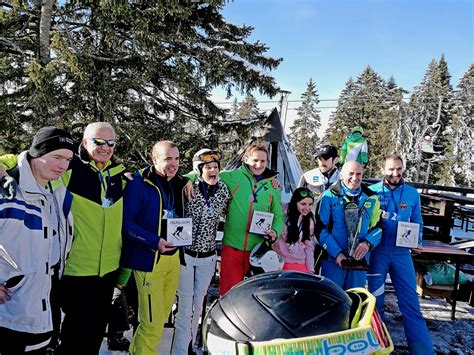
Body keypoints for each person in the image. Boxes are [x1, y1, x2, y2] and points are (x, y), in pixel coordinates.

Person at [0, 122, 128, 353]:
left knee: (95, 335)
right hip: (75, 270)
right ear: (85, 142)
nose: (105, 147)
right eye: (99, 142)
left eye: (111, 143)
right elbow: (27, 159)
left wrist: (188, 180)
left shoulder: (119, 174)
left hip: (107, 270)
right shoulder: (67, 170)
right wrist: (0, 166)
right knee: (73, 338)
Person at [0, 127, 75, 354]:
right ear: (36, 154)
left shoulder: (57, 193)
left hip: (42, 306)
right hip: (9, 311)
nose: (63, 165)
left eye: (68, 159)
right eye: (57, 157)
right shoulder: (7, 192)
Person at [121, 140, 190, 354]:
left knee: (159, 321)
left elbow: (207, 178)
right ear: (154, 159)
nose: (174, 164)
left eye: (177, 159)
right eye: (168, 158)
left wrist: (186, 179)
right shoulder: (138, 184)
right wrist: (154, 241)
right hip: (149, 260)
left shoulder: (179, 182)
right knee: (151, 325)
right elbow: (125, 224)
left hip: (173, 260)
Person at [368, 154, 434, 354]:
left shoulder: (412, 193)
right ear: (383, 170)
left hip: (401, 254)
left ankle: (422, 351)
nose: (395, 173)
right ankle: (376, 349)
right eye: (391, 169)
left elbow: (417, 221)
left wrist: (418, 240)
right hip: (377, 253)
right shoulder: (371, 192)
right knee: (375, 305)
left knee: (411, 304)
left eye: (398, 169)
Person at [171, 149, 230, 355]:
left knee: (197, 307)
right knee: (185, 306)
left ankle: (190, 347)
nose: (213, 171)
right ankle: (178, 350)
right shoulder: (187, 186)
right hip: (186, 255)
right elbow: (170, 173)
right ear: (198, 169)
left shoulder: (224, 190)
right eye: (208, 167)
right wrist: (187, 178)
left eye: (216, 167)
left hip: (208, 256)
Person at [218, 142, 284, 295]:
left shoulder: (273, 185)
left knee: (255, 296)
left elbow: (279, 216)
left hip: (258, 252)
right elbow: (205, 173)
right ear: (246, 159)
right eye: (255, 160)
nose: (259, 164)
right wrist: (187, 180)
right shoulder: (232, 177)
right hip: (232, 248)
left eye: (263, 161)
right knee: (229, 294)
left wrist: (275, 231)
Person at [318, 161, 382, 289]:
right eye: (351, 173)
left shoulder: (371, 198)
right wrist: (336, 253)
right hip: (334, 260)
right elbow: (319, 229)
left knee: (356, 299)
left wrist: (368, 243)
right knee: (333, 299)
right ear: (341, 175)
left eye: (358, 174)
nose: (355, 178)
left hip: (359, 261)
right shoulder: (328, 196)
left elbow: (378, 227)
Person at [273, 187, 316, 273]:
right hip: (279, 263)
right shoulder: (281, 213)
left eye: (310, 204)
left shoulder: (310, 220)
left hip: (301, 265)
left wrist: (310, 269)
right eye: (303, 204)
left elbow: (309, 246)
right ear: (294, 202)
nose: (307, 208)